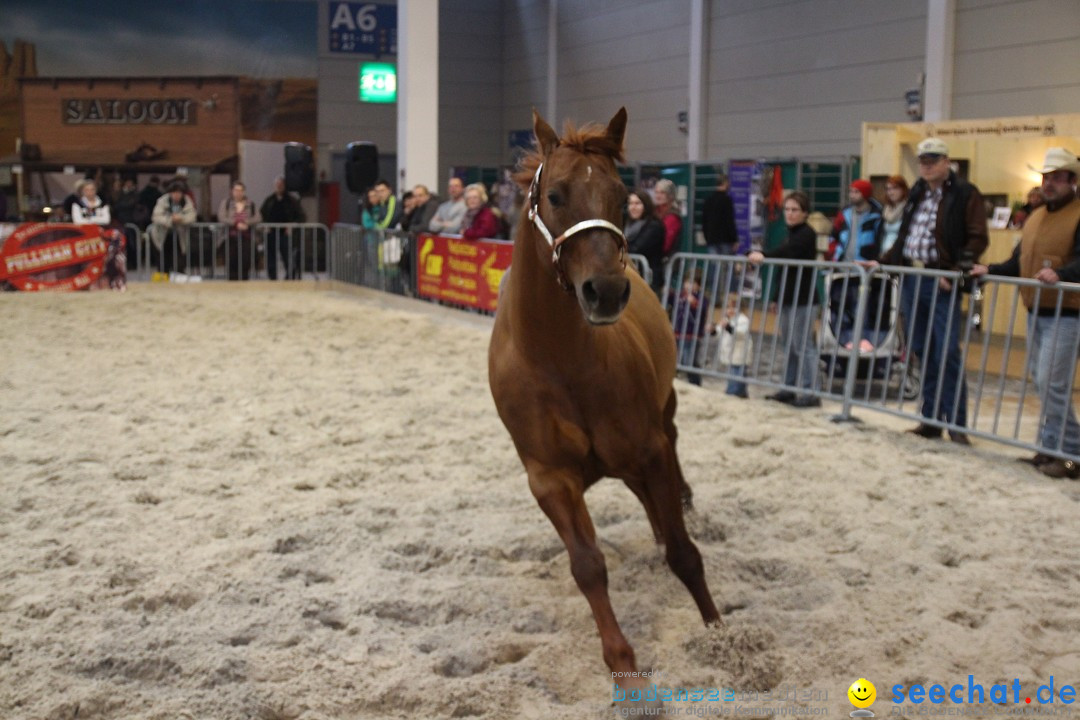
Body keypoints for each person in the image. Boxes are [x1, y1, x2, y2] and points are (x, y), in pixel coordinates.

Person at [970, 147, 1080, 478]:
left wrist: (1062, 275)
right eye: (1047, 178)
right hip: (1036, 309)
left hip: (1067, 311)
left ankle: (1071, 450)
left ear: (1072, 181)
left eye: (1057, 178)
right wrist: (990, 268)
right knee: (1043, 381)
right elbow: (1020, 260)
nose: (1050, 184)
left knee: (1051, 381)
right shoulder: (1036, 215)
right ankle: (1050, 447)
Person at [877, 137, 988, 444]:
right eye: (923, 160)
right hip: (913, 276)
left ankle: (956, 424)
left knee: (947, 351)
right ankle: (930, 419)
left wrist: (955, 271)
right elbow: (905, 235)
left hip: (941, 280)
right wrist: (881, 262)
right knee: (921, 350)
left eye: (932, 160)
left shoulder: (965, 193)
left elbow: (978, 238)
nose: (926, 165)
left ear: (946, 162)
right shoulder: (917, 192)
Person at [748, 191, 821, 408]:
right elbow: (784, 270)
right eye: (787, 210)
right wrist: (775, 298)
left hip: (804, 298)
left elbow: (788, 253)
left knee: (803, 345)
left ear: (805, 213)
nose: (789, 214)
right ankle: (788, 388)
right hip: (789, 297)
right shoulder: (790, 233)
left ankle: (811, 392)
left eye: (794, 210)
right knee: (789, 345)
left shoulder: (807, 234)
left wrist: (765, 255)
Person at [829, 179, 885, 352]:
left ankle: (863, 340)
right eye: (851, 191)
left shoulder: (877, 215)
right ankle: (843, 341)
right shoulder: (844, 213)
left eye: (856, 192)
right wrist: (833, 256)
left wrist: (875, 260)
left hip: (865, 269)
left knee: (863, 307)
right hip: (843, 267)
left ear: (865, 194)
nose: (852, 195)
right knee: (840, 306)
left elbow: (879, 240)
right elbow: (834, 236)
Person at [259, 175, 306, 281]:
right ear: (274, 186)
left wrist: (292, 226)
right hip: (271, 233)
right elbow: (261, 216)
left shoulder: (292, 200)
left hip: (285, 234)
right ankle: (272, 278)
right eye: (277, 185)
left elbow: (302, 217)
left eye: (281, 184)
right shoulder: (269, 200)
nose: (279, 187)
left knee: (287, 256)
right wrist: (265, 226)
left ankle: (290, 277)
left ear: (284, 186)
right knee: (270, 257)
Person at [624, 188, 665, 296]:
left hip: (649, 279)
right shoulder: (627, 225)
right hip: (632, 277)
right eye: (630, 203)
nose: (633, 207)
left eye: (637, 203)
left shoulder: (654, 226)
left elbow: (637, 248)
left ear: (646, 205)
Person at [150, 180, 197, 273]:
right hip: (162, 236)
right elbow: (156, 216)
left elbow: (192, 216)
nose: (176, 195)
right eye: (174, 192)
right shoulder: (163, 201)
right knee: (163, 263)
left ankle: (179, 281)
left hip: (180, 236)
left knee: (179, 263)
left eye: (179, 192)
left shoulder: (187, 201)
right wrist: (170, 220)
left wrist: (181, 219)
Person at [671, 273, 709, 386]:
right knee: (677, 359)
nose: (688, 285)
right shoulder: (680, 295)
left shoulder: (702, 298)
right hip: (678, 332)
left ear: (699, 286)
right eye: (687, 282)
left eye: (693, 283)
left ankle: (695, 382)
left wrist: (694, 302)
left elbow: (703, 309)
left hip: (692, 334)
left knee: (690, 361)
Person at [218, 181, 261, 281]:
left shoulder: (251, 204)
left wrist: (247, 223)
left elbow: (258, 217)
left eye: (241, 190)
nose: (238, 193)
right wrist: (236, 223)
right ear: (232, 191)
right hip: (230, 237)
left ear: (244, 192)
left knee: (245, 261)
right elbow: (222, 217)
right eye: (236, 190)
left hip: (246, 238)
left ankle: (244, 284)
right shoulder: (226, 203)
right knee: (231, 262)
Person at [719, 294, 752, 398]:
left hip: (740, 352)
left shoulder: (743, 320)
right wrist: (712, 331)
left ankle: (731, 392)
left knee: (736, 373)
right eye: (728, 307)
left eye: (733, 307)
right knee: (738, 373)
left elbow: (740, 333)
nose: (730, 310)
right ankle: (742, 392)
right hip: (731, 352)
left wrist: (728, 327)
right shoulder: (727, 319)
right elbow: (719, 330)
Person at [701, 174, 738, 256]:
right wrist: (734, 239)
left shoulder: (708, 200)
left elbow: (704, 221)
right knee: (726, 266)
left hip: (711, 239)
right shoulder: (727, 200)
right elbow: (730, 221)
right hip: (725, 240)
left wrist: (707, 237)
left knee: (714, 266)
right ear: (725, 183)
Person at [879, 175, 910, 256]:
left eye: (895, 188)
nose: (891, 192)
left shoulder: (909, 209)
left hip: (902, 256)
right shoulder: (886, 209)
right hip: (884, 253)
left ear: (903, 189)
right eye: (888, 189)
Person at [653, 178, 683, 259]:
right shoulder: (654, 211)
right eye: (656, 192)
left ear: (670, 195)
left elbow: (665, 245)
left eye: (662, 193)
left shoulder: (672, 217)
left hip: (664, 260)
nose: (658, 196)